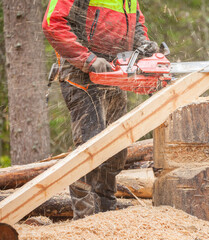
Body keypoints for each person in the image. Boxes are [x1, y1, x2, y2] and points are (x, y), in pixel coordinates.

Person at [42, 0, 158, 220]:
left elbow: (136, 24)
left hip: (115, 69)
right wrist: (88, 59)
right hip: (80, 72)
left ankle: (106, 214)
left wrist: (142, 42)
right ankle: (85, 219)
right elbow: (52, 23)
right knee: (91, 144)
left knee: (117, 146)